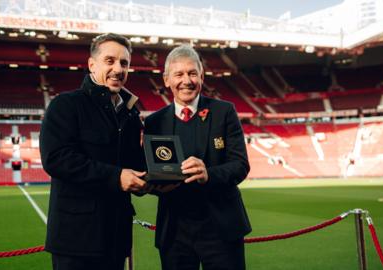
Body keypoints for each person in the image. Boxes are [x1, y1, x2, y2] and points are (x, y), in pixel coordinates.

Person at [40, 33, 147, 270]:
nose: (118, 69)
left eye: (124, 63)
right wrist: (117, 177)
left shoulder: (130, 114)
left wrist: (155, 177)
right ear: (92, 64)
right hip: (76, 242)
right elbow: (56, 158)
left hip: (116, 239)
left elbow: (134, 166)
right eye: (110, 61)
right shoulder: (66, 105)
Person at [144, 44, 252, 270]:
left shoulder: (224, 112)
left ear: (201, 76)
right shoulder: (154, 122)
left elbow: (240, 165)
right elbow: (154, 171)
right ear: (166, 80)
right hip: (175, 230)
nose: (187, 80)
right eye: (179, 74)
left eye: (193, 73)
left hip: (221, 228)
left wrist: (208, 175)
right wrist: (153, 184)